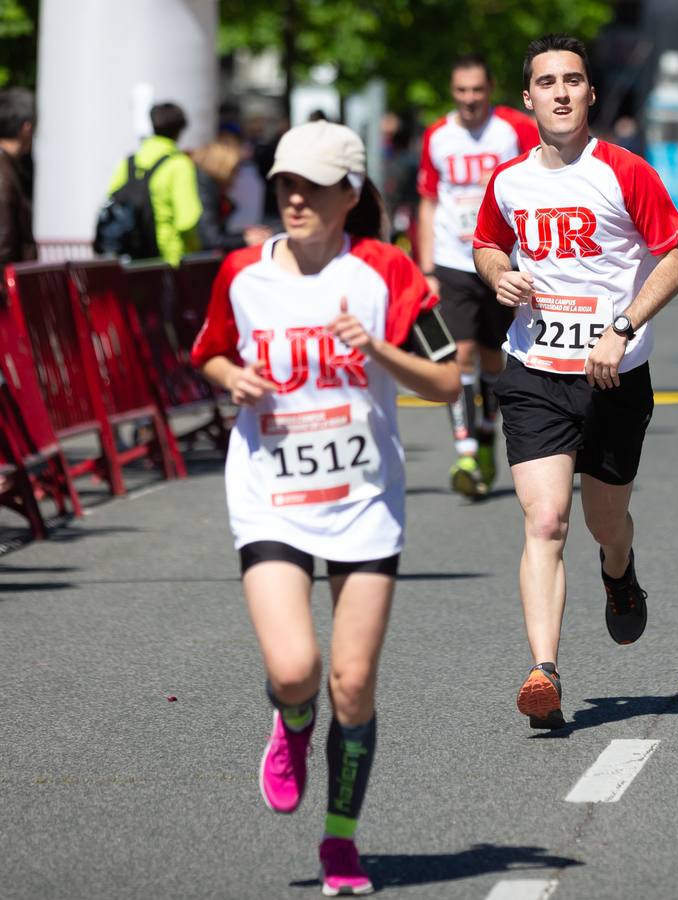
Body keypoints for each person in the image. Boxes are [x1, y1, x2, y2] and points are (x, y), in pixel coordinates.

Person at [189, 121, 461, 894]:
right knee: (296, 668)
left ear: (351, 194)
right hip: (271, 492)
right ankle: (292, 720)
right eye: (284, 184)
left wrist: (377, 349)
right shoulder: (243, 272)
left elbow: (446, 384)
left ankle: (340, 842)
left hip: (365, 499)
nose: (295, 198)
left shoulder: (387, 271)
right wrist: (227, 378)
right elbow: (208, 349)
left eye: (312, 185)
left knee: (351, 681)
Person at [471, 34, 678, 729]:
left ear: (589, 94)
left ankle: (618, 569)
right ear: (528, 97)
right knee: (544, 519)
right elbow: (486, 242)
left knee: (603, 520)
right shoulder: (508, 181)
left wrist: (621, 328)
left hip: (613, 376)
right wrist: (496, 274)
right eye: (547, 81)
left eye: (573, 80)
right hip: (535, 370)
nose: (561, 91)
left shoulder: (625, 171)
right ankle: (544, 671)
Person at [418, 55, 541, 499]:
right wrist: (427, 267)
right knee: (458, 353)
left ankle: (487, 432)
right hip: (453, 259)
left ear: (490, 90)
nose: (469, 99)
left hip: (501, 260)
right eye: (461, 91)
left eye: (477, 91)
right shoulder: (437, 135)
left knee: (494, 359)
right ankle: (465, 449)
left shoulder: (513, 129)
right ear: (453, 92)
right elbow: (429, 201)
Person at [106, 102, 203, 265]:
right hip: (167, 259)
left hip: (129, 260)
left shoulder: (129, 162)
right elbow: (187, 220)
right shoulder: (179, 164)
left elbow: (111, 198)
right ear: (180, 130)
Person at [193, 135, 273, 251]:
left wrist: (245, 235)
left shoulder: (209, 187)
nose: (237, 175)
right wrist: (245, 239)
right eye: (235, 169)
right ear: (222, 166)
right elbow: (211, 238)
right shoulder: (206, 188)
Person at [0, 87, 36, 266]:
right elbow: (3, 243)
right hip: (8, 285)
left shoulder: (11, 167)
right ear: (26, 127)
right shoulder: (4, 173)